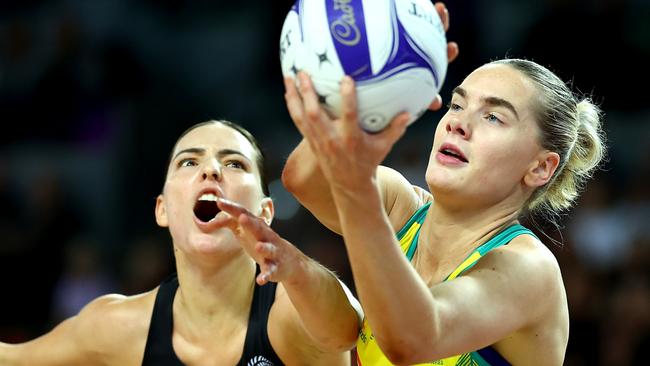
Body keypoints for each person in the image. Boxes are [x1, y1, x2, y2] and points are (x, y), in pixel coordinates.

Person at [281, 53, 606, 366]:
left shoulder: (528, 270)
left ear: (540, 167)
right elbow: (305, 179)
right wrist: (359, 92)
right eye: (457, 105)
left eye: (493, 117)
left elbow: (411, 339)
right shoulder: (402, 207)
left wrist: (359, 196)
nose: (459, 124)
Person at [0, 120, 363, 365]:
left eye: (234, 164)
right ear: (162, 210)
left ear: (266, 211)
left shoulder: (291, 313)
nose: (211, 170)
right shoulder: (120, 327)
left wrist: (295, 266)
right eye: (189, 162)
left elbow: (346, 330)